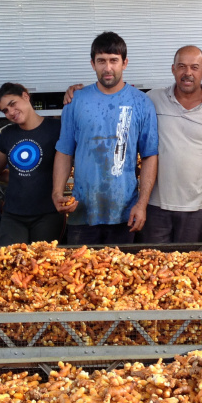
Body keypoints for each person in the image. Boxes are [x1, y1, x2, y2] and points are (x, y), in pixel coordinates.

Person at [64, 45, 202, 243]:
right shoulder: (152, 99)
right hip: (154, 207)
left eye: (194, 67)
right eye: (181, 66)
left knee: (186, 266)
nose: (187, 73)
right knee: (153, 267)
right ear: (173, 69)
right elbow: (117, 96)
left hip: (196, 207)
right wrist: (77, 92)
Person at [52, 31, 159, 245]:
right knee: (80, 276)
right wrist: (57, 192)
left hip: (125, 213)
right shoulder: (75, 101)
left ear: (125, 63)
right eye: (101, 61)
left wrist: (142, 203)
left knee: (121, 277)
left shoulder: (141, 103)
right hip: (82, 212)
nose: (107, 68)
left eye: (113, 60)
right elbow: (64, 151)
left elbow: (149, 156)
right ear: (92, 64)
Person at [0, 82, 63, 245]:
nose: (11, 112)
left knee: (43, 266)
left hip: (48, 214)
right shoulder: (7, 134)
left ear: (26, 96)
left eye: (13, 104)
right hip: (13, 215)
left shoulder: (56, 129)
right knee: (9, 263)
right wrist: (22, 179)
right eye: (5, 110)